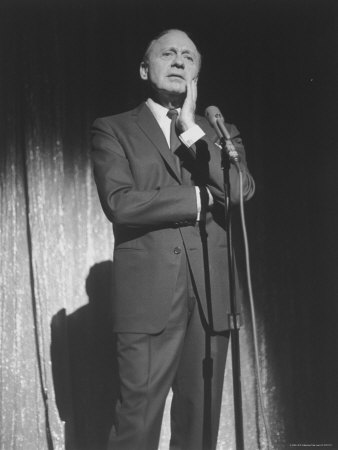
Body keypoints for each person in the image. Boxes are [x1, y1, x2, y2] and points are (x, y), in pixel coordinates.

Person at [91, 28, 255, 450]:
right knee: (137, 423)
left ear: (198, 71)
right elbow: (121, 203)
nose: (179, 61)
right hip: (147, 300)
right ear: (146, 68)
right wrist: (198, 200)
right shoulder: (112, 129)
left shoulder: (219, 130)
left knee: (200, 425)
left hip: (211, 299)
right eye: (168, 54)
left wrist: (190, 130)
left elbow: (239, 191)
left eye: (188, 55)